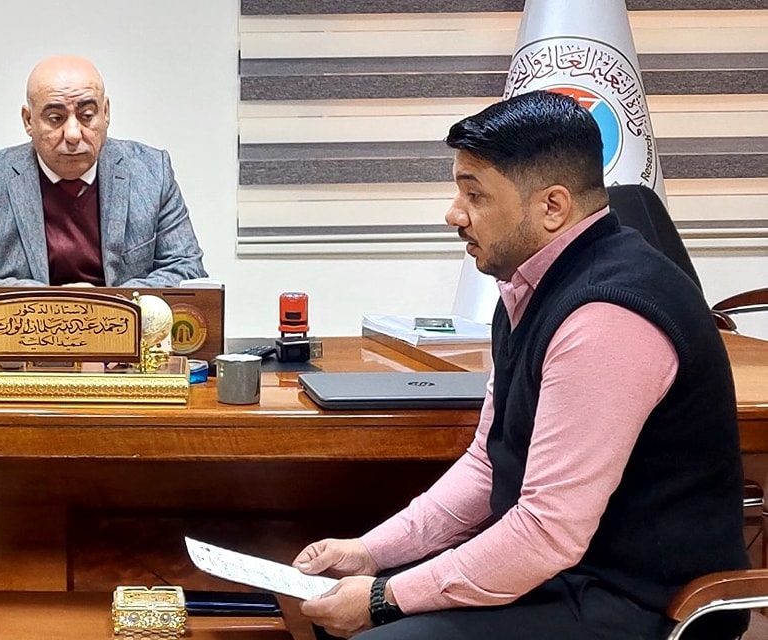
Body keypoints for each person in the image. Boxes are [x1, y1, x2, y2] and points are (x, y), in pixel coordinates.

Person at [290, 91, 748, 640]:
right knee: (336, 610)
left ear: (552, 207)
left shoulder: (606, 316)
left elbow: (548, 530)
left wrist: (383, 598)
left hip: (642, 601)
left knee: (374, 633)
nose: (454, 213)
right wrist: (370, 553)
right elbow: (490, 462)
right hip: (564, 574)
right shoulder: (530, 286)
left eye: (475, 195)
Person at [0, 55, 207, 287]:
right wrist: (56, 303)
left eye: (87, 115)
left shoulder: (152, 172)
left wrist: (106, 305)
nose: (73, 134)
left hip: (124, 327)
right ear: (29, 120)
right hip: (29, 328)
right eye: (55, 118)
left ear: (106, 113)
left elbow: (187, 270)